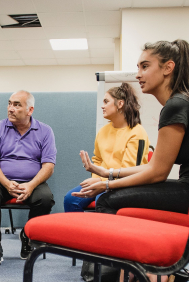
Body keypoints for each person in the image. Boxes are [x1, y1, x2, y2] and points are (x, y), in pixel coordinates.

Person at [73, 40, 189, 282]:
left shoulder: (176, 106)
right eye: (138, 67)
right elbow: (153, 165)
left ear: (168, 68)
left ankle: (149, 270)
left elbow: (157, 173)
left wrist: (108, 185)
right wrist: (107, 173)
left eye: (145, 66)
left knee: (109, 200)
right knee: (115, 195)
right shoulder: (187, 102)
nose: (138, 74)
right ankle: (139, 271)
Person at [0, 90, 56, 265]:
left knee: (45, 199)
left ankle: (27, 236)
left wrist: (31, 185)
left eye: (16, 105)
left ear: (30, 110)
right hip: (2, 180)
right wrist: (6, 183)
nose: (10, 108)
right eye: (9, 103)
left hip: (33, 182)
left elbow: (49, 166)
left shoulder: (45, 131)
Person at [63, 83, 150, 213]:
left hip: (124, 184)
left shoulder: (137, 132)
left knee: (101, 200)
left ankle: (100, 232)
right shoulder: (103, 131)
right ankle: (81, 233)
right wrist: (94, 178)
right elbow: (97, 160)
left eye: (106, 101)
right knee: (70, 199)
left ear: (120, 104)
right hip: (102, 180)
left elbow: (128, 172)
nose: (102, 106)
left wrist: (100, 180)